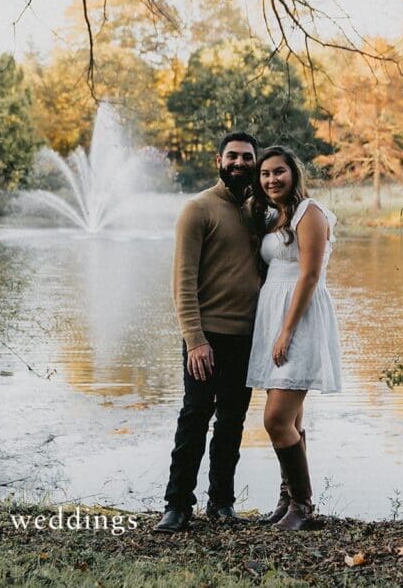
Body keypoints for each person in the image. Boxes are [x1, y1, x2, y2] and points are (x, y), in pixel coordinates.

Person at [154, 132, 262, 534]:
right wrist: (195, 339)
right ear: (219, 160)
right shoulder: (197, 209)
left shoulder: (258, 210)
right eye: (232, 156)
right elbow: (182, 280)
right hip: (206, 337)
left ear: (255, 162)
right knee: (195, 417)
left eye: (246, 157)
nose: (239, 163)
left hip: (247, 338)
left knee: (232, 423)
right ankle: (177, 505)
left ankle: (222, 504)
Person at [246, 146, 342, 531]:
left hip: (298, 319)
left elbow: (310, 275)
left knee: (276, 419)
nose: (272, 179)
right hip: (273, 318)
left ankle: (303, 506)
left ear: (293, 173)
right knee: (292, 418)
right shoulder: (273, 216)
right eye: (265, 174)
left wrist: (286, 329)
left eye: (279, 172)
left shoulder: (309, 212)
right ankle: (288, 500)